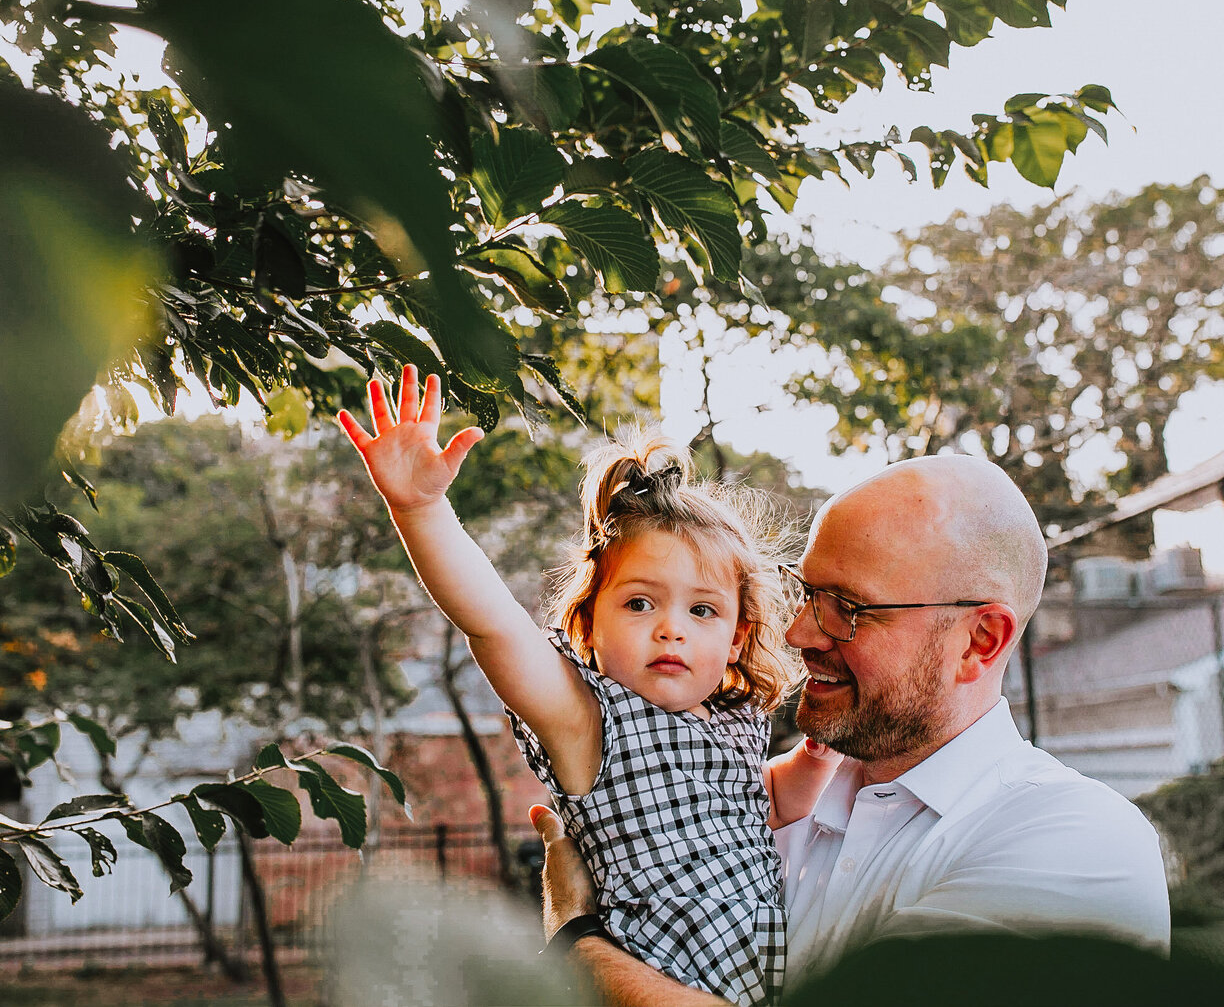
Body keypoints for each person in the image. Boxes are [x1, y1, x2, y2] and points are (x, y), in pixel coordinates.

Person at [533, 452, 1172, 1004]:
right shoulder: (763, 812)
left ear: (979, 640)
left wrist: (577, 940)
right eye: (807, 594)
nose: (799, 634)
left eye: (848, 609)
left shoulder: (1076, 841)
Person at [338, 366, 840, 1006]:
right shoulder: (589, 721)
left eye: (702, 611)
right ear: (587, 624)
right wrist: (421, 509)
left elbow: (764, 802)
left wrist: (813, 760)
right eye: (639, 604)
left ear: (738, 638)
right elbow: (492, 624)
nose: (671, 631)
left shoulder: (734, 724)